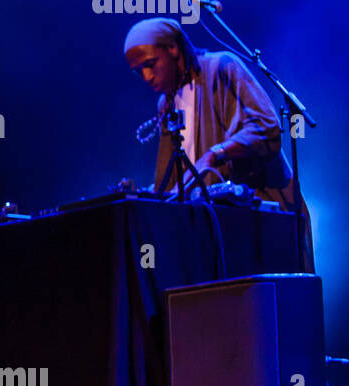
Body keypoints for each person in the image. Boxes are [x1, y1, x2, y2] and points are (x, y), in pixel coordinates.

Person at [123, 17, 313, 268]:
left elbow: (266, 127)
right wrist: (144, 194)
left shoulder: (221, 67)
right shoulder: (166, 104)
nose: (146, 76)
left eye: (150, 64)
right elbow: (177, 180)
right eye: (139, 71)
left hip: (265, 218)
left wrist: (216, 154)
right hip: (217, 228)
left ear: (173, 48)